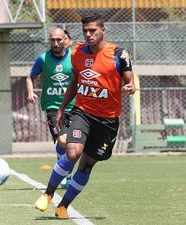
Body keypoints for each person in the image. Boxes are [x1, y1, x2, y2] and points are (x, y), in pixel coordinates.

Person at [35, 13, 136, 219]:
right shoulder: (78, 52)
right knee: (72, 152)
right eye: (85, 31)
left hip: (108, 120)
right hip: (83, 112)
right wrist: (63, 108)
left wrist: (130, 86)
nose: (88, 34)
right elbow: (74, 82)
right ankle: (47, 193)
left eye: (93, 30)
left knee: (87, 164)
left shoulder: (119, 54)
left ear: (103, 30)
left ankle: (63, 206)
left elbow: (129, 79)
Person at [26, 28, 75, 189]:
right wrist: (31, 91)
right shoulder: (43, 59)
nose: (55, 43)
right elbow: (30, 76)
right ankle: (67, 176)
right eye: (52, 40)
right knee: (63, 140)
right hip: (53, 106)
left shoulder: (74, 58)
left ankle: (63, 169)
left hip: (74, 106)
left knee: (72, 144)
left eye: (59, 40)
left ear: (65, 40)